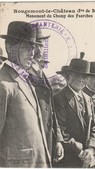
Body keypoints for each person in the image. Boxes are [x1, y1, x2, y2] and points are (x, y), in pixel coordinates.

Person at [0, 21, 51, 167]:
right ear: (10, 47)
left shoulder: (24, 79)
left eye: (34, 47)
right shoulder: (3, 83)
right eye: (27, 47)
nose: (33, 53)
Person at [54, 58, 95, 168]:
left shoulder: (88, 99)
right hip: (68, 159)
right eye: (77, 75)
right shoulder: (59, 98)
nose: (81, 80)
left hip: (87, 158)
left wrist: (91, 149)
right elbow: (60, 130)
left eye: (84, 77)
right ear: (68, 76)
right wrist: (80, 152)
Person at [28, 28, 64, 165]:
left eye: (41, 45)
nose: (38, 49)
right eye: (35, 44)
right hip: (33, 143)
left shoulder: (40, 72)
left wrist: (58, 140)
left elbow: (51, 111)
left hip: (47, 140)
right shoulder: (23, 73)